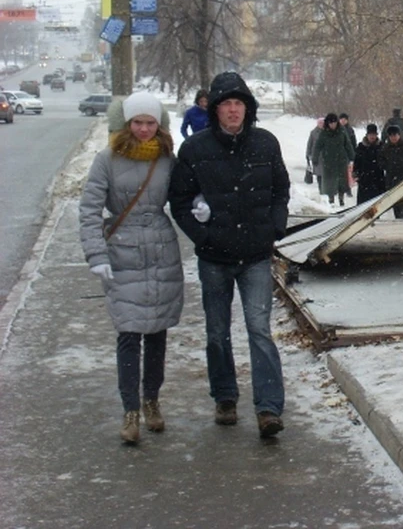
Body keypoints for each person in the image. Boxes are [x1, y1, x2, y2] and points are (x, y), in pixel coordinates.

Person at [167, 71, 290, 439]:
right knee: (217, 333)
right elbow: (181, 202)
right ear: (215, 110)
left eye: (239, 104)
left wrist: (275, 228)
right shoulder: (195, 150)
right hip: (215, 257)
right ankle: (224, 396)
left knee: (259, 330)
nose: (233, 110)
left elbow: (281, 192)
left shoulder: (266, 144)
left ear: (247, 109)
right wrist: (201, 236)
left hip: (255, 255)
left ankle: (268, 408)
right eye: (226, 104)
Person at [78, 92, 184, 445]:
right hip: (122, 253)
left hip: (160, 251)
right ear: (126, 123)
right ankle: (130, 410)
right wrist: (96, 256)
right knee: (128, 334)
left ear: (159, 124)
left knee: (156, 333)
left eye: (150, 122)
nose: (143, 129)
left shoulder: (169, 159)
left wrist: (198, 204)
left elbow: (184, 195)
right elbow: (90, 210)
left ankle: (152, 400)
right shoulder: (106, 159)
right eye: (137, 122)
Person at [312, 113, 355, 207]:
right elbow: (317, 146)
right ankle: (331, 198)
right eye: (331, 123)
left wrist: (352, 156)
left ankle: (341, 198)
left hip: (341, 160)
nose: (333, 125)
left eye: (334, 123)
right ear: (328, 123)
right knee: (330, 181)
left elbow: (347, 144)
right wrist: (314, 157)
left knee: (342, 181)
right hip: (328, 161)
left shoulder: (342, 131)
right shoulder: (324, 133)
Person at [353, 123, 386, 203]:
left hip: (378, 181)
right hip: (364, 180)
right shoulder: (361, 147)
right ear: (367, 135)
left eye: (374, 134)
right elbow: (356, 163)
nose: (372, 137)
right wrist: (356, 174)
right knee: (363, 206)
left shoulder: (382, 147)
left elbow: (386, 162)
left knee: (376, 206)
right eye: (370, 134)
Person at [305, 117, 324, 195]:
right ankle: (321, 189)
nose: (322, 124)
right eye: (320, 123)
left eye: (323, 123)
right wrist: (308, 154)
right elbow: (309, 144)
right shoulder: (313, 132)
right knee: (319, 174)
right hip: (317, 157)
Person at [339, 113, 355, 197]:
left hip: (347, 154)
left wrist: (353, 153)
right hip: (337, 154)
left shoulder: (350, 130)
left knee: (347, 173)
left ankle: (348, 189)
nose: (343, 121)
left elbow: (353, 142)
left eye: (344, 119)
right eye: (341, 119)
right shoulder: (336, 129)